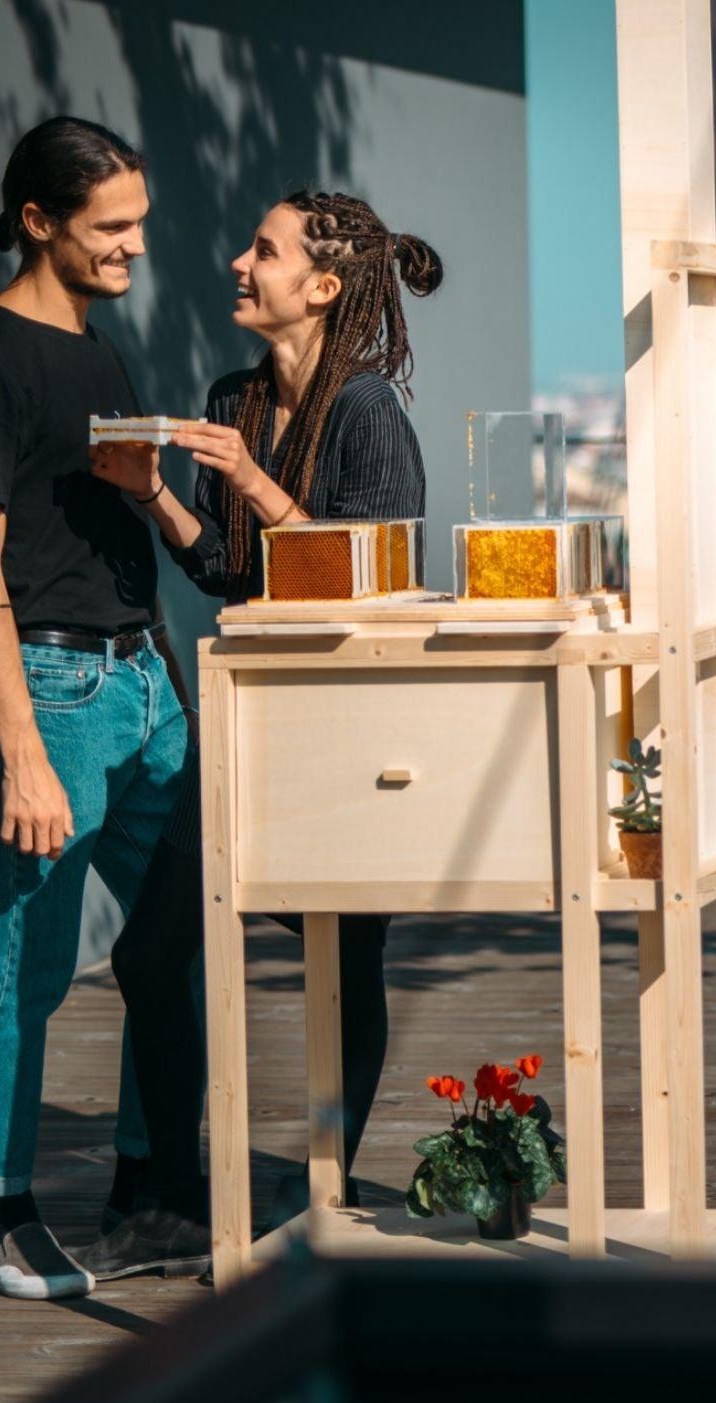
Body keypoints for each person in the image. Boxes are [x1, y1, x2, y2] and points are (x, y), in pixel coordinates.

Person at [75, 188, 442, 1280]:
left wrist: (252, 478)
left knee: (343, 956)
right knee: (149, 946)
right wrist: (157, 498)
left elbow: (376, 572)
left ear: (321, 287)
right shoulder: (231, 395)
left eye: (264, 250)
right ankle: (168, 1194)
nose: (238, 261)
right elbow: (230, 574)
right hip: (247, 724)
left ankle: (321, 1188)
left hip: (351, 730)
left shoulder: (366, 407)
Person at [0, 117, 197, 1298]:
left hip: (142, 681)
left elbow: (114, 523)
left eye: (138, 218)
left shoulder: (97, 349)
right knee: (21, 956)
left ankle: (147, 1188)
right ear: (39, 222)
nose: (137, 244)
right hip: (50, 688)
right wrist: (24, 753)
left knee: (176, 942)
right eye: (113, 226)